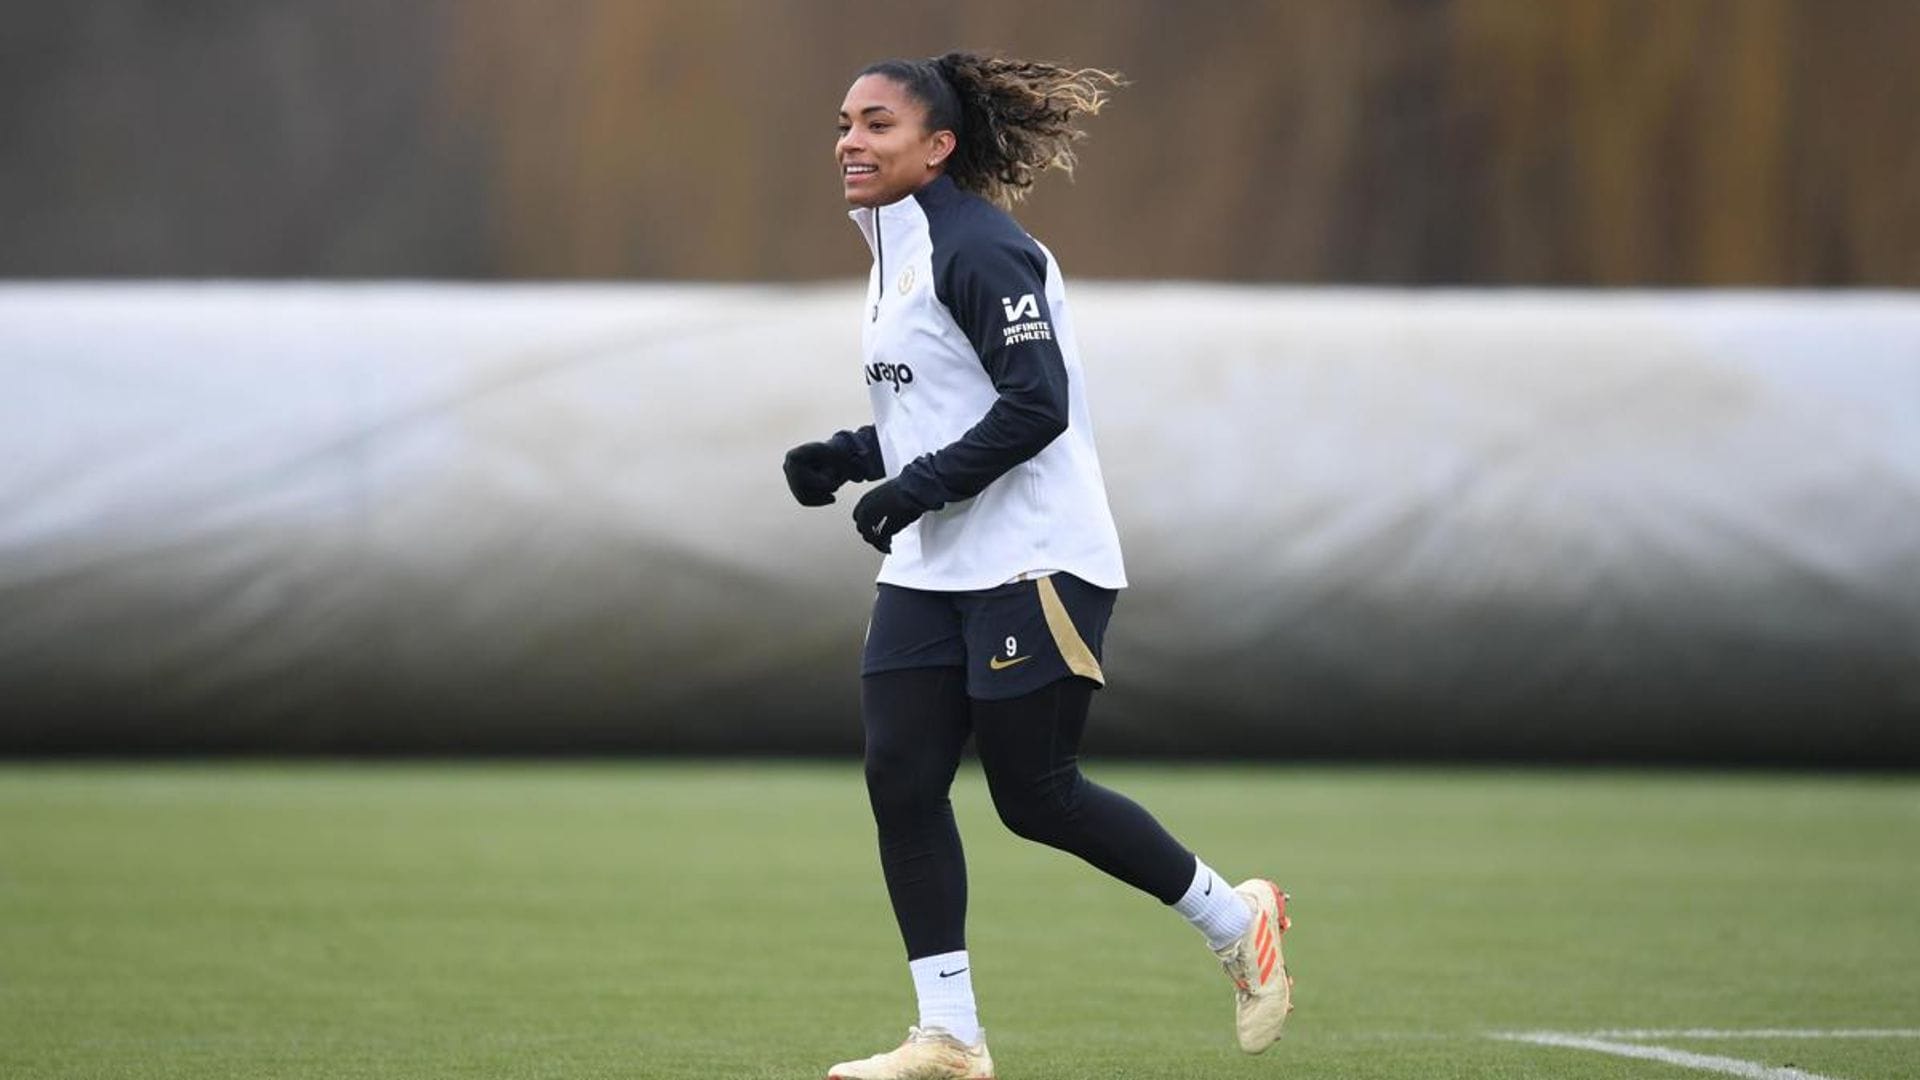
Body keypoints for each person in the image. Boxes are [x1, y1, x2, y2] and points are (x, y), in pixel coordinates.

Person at [783, 52, 1293, 1080]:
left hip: (1037, 562)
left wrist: (912, 488)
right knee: (901, 776)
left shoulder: (980, 249)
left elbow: (1035, 406)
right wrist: (853, 455)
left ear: (939, 146)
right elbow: (944, 411)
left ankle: (1235, 920)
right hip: (933, 570)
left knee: (1035, 794)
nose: (850, 141)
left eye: (877, 125)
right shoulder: (893, 248)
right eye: (844, 123)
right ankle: (949, 1039)